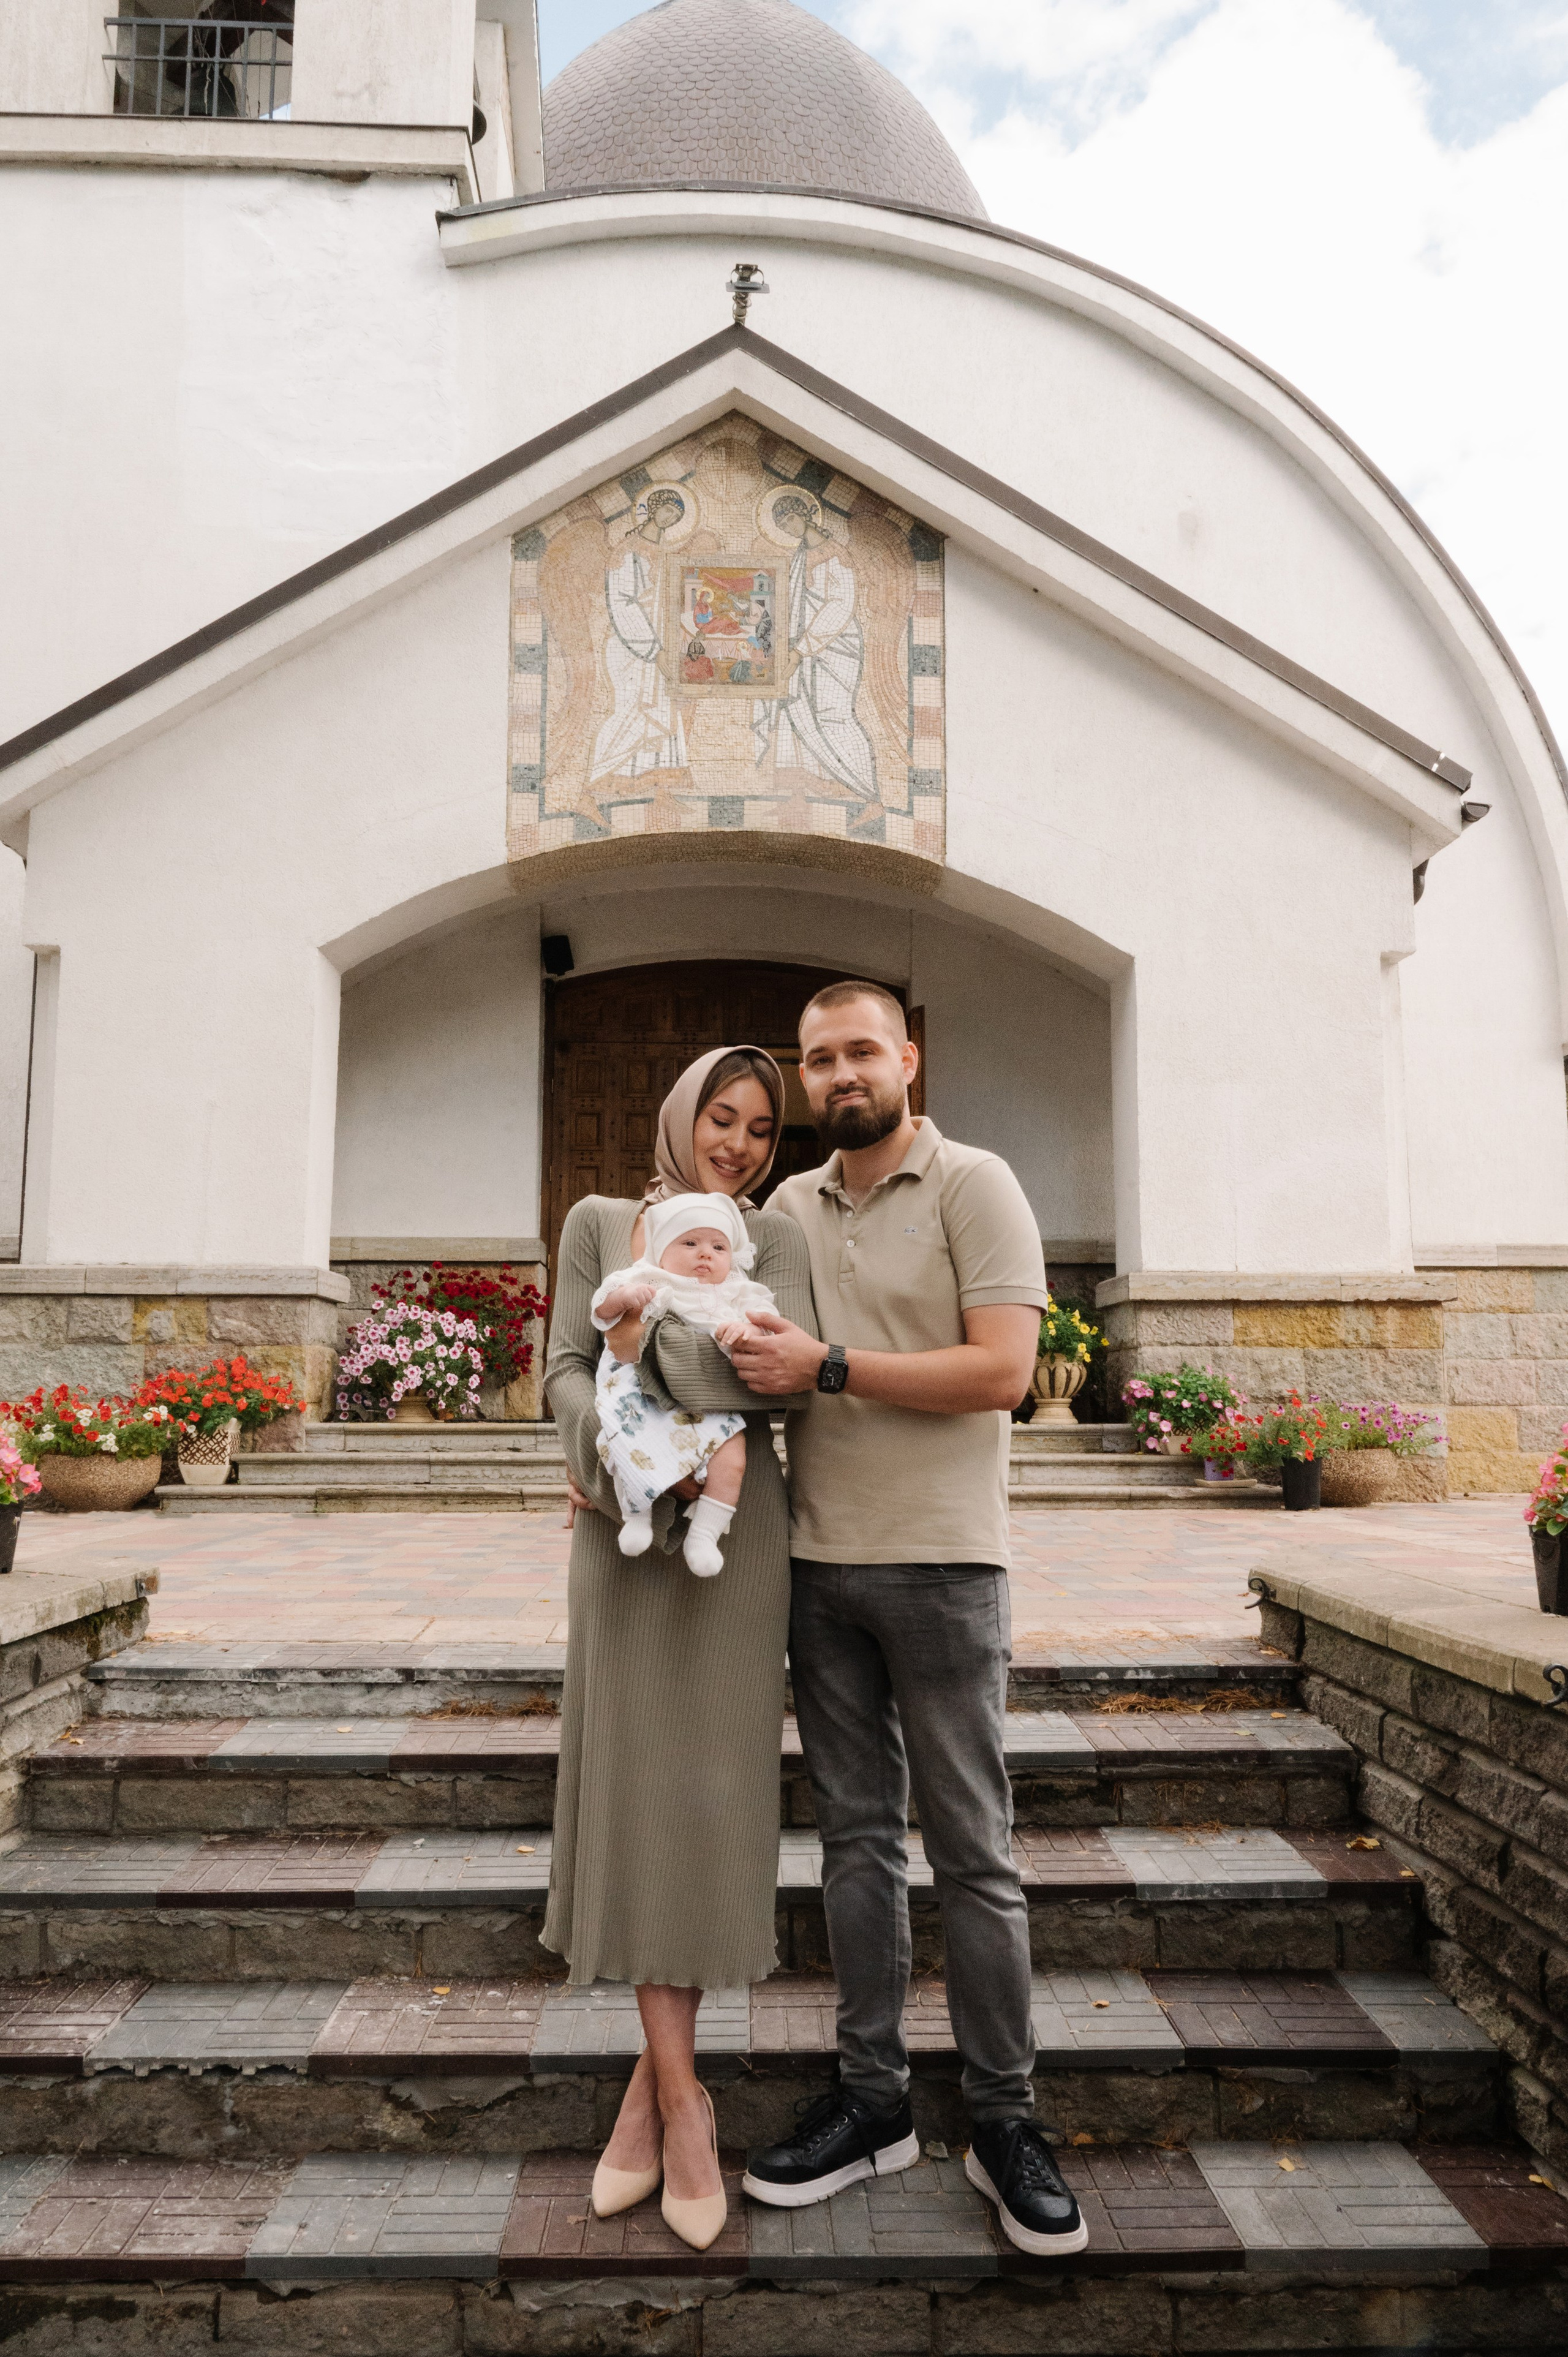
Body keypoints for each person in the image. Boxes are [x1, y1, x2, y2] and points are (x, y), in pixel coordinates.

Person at [729, 981, 1089, 2258]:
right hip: (817, 1571)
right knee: (855, 1847)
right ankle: (871, 2101)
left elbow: (998, 1370)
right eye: (818, 1059)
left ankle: (1004, 2118)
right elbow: (737, 1354)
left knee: (974, 1854)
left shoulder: (971, 1184)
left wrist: (827, 1365)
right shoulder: (784, 1206)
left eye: (859, 1051)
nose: (838, 1074)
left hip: (944, 1569)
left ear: (907, 1059)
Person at [543, 1046, 816, 2252]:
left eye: (762, 1127)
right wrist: (603, 1450)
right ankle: (683, 2099)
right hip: (620, 1535)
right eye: (723, 1117)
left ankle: (662, 2101)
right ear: (683, 1116)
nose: (740, 1144)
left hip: (729, 1543)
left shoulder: (780, 1241)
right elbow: (557, 1367)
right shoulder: (599, 1220)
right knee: (635, 1792)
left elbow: (775, 1383)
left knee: (703, 1798)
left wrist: (637, 1357)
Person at [590, 1191, 781, 1574]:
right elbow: (601, 1312)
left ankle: (705, 1534)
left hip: (708, 1401)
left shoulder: (738, 1291)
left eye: (718, 1246)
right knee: (630, 1438)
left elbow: (770, 1328)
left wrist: (746, 1329)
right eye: (689, 1243)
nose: (705, 1254)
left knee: (732, 1456)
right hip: (643, 1391)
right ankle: (637, 1515)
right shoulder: (646, 1278)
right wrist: (625, 1297)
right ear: (661, 1250)